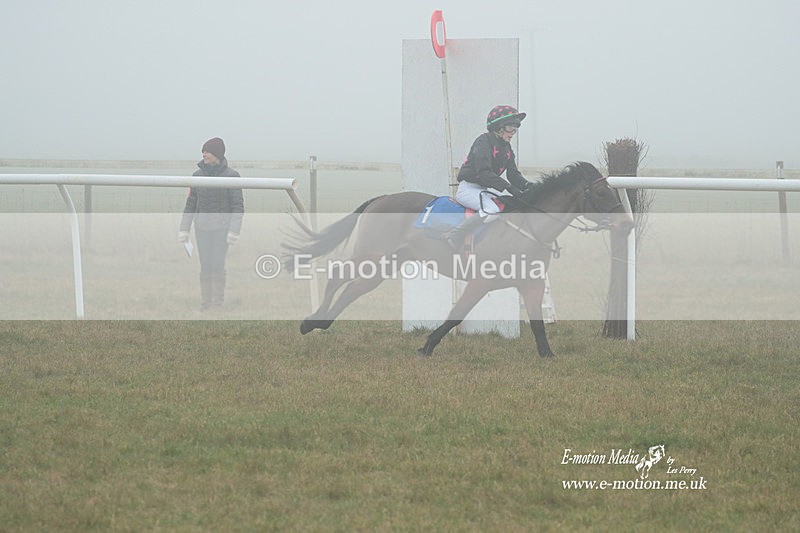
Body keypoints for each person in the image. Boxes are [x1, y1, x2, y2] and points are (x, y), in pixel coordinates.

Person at [444, 105, 533, 250]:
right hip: (468, 189)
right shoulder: (483, 141)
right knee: (492, 210)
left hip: (484, 191)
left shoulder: (507, 148)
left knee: (511, 204)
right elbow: (484, 173)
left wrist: (529, 186)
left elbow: (513, 174)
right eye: (511, 128)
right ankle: (455, 235)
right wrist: (510, 188)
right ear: (499, 127)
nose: (513, 133)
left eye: (516, 128)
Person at [178, 137, 244, 311]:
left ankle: (217, 304)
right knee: (205, 265)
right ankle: (206, 303)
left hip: (222, 229)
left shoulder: (232, 176)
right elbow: (191, 203)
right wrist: (184, 229)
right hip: (202, 228)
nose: (203, 154)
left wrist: (234, 231)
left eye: (207, 151)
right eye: (203, 151)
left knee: (217, 264)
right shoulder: (197, 176)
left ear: (217, 154)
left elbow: (238, 206)